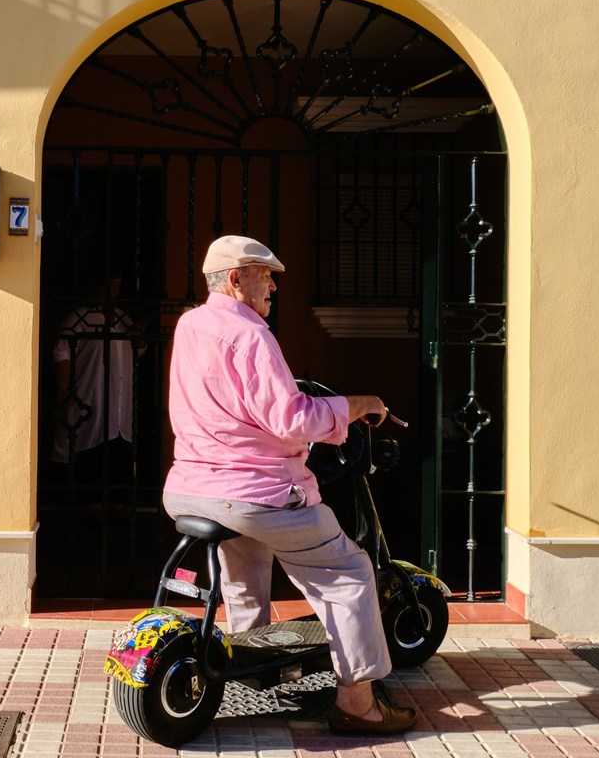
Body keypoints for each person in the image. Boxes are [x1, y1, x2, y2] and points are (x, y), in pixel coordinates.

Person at [162, 234, 418, 735]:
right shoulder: (251, 334)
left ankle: (252, 665)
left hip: (191, 487)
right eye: (266, 273)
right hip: (254, 491)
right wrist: (357, 403)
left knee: (246, 561)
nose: (274, 285)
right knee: (348, 571)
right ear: (237, 279)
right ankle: (358, 702)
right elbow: (290, 417)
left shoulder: (191, 325)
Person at [52, 273, 136, 486]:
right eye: (109, 285)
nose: (113, 292)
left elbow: (137, 349)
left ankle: (116, 503)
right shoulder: (80, 318)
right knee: (90, 447)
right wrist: (63, 390)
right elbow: (61, 352)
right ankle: (91, 505)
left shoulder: (122, 319)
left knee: (118, 448)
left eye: (117, 286)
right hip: (90, 395)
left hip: (119, 398)